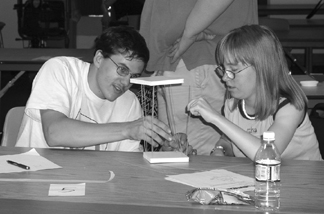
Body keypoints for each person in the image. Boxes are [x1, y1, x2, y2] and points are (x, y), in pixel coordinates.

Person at [15, 26, 173, 152]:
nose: (126, 82)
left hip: (88, 185)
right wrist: (127, 129)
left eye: (134, 75)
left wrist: (165, 155)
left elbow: (128, 167)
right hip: (34, 178)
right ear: (99, 59)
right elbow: (54, 133)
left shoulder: (129, 102)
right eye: (122, 70)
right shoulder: (60, 69)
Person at [140, 0, 258, 155]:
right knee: (173, 157)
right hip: (177, 57)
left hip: (197, 54)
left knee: (198, 165)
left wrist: (189, 35)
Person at [187, 25, 322, 161]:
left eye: (233, 70)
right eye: (223, 69)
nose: (224, 77)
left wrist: (216, 118)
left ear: (262, 69)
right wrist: (220, 150)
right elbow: (229, 140)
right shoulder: (232, 105)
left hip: (306, 180)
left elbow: (266, 156)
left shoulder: (290, 106)